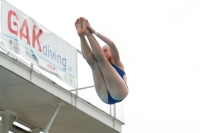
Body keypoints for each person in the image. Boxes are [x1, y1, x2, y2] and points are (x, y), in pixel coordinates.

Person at [75, 17, 128, 104]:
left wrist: (93, 31)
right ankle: (81, 35)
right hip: (105, 97)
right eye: (102, 51)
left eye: (105, 51)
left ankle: (87, 33)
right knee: (93, 63)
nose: (103, 52)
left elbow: (112, 44)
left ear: (111, 53)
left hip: (119, 93)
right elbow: (85, 55)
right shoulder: (100, 60)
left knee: (102, 61)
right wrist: (82, 37)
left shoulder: (117, 62)